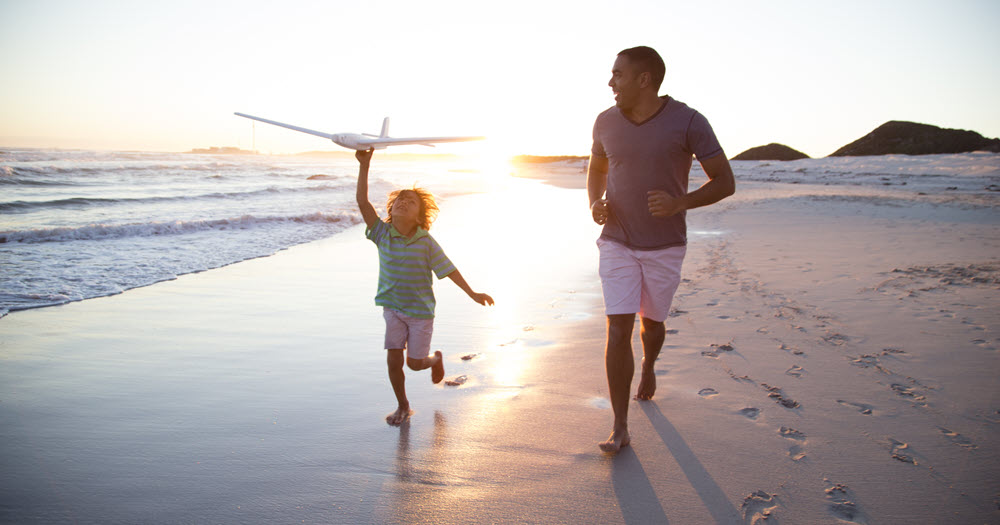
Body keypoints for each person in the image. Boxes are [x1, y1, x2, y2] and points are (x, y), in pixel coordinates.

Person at [588, 46, 735, 453]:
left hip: (665, 245)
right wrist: (594, 202)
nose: (610, 82)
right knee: (617, 328)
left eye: (618, 74)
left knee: (651, 324)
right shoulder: (605, 121)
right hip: (616, 240)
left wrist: (679, 203)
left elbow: (725, 181)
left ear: (644, 79)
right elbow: (597, 167)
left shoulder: (688, 121)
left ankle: (649, 365)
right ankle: (620, 425)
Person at [355, 148, 494, 426]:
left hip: (420, 312)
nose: (403, 203)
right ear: (390, 211)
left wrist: (472, 293)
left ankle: (435, 359)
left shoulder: (425, 242)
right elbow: (362, 202)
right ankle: (403, 405)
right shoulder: (382, 234)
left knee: (414, 364)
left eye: (411, 202)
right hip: (392, 308)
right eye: (399, 201)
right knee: (394, 360)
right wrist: (364, 165)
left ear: (420, 217)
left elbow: (449, 269)